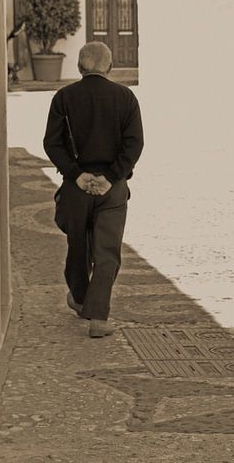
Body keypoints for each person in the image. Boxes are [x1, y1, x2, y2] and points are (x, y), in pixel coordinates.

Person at [43, 41, 144, 338]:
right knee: (107, 251)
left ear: (79, 67)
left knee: (78, 245)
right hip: (112, 190)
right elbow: (134, 144)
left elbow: (53, 143)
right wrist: (112, 176)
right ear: (110, 67)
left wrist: (76, 175)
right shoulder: (126, 98)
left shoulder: (64, 98)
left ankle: (79, 296)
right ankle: (98, 317)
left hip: (77, 188)